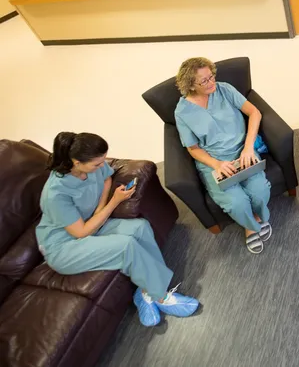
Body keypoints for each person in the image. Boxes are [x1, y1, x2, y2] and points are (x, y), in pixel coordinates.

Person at [36, 132, 200, 327]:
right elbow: (80, 233)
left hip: (91, 225)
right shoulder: (55, 194)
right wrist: (113, 203)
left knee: (140, 227)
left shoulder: (92, 165)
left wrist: (100, 208)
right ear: (76, 162)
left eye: (103, 160)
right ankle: (160, 296)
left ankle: (145, 293)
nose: (101, 166)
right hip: (64, 247)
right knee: (125, 245)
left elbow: (106, 178)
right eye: (97, 164)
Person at [174, 57, 272, 254]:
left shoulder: (224, 89)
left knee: (260, 190)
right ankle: (250, 225)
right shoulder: (182, 112)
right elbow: (193, 148)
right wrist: (216, 164)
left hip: (243, 151)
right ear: (190, 85)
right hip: (214, 161)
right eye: (204, 81)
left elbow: (255, 113)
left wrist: (248, 147)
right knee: (236, 202)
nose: (211, 83)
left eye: (211, 76)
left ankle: (258, 217)